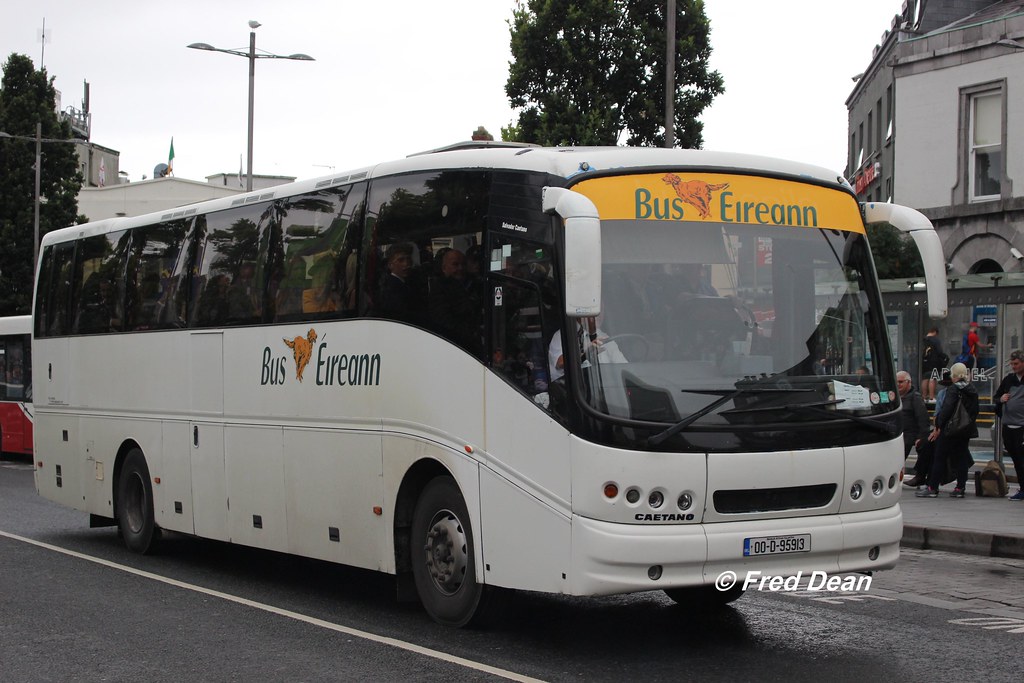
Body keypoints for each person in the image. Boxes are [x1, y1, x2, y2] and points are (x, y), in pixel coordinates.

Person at [917, 362, 978, 498]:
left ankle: (933, 487)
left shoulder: (953, 389)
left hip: (949, 430)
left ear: (954, 374)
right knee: (962, 457)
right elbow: (975, 410)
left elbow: (947, 409)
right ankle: (960, 488)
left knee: (940, 457)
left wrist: (939, 424)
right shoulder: (972, 389)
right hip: (965, 429)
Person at [993, 349, 1024, 501]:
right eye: (1012, 364)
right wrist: (1001, 399)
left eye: (1016, 364)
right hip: (1009, 425)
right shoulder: (1009, 379)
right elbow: (996, 397)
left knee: (1021, 459)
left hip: (1021, 427)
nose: (1014, 366)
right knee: (1016, 459)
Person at [897, 370, 929, 461]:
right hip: (895, 434)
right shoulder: (893, 396)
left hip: (908, 435)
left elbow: (923, 418)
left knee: (898, 460)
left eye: (901, 382)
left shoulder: (915, 398)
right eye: (896, 382)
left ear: (909, 382)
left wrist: (921, 437)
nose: (898, 384)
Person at [921, 327, 945, 402]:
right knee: (932, 378)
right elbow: (939, 352)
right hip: (934, 362)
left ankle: (924, 397)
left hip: (925, 361)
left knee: (925, 378)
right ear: (935, 332)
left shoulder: (924, 339)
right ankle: (931, 397)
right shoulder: (935, 340)